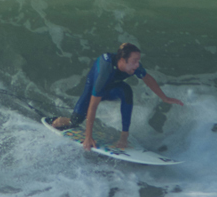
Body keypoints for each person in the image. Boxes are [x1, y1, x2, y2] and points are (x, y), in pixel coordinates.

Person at [51, 43, 183, 150]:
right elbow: (93, 106)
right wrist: (88, 137)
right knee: (76, 120)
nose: (137, 64)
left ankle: (124, 136)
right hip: (93, 88)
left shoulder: (133, 65)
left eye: (138, 60)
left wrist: (164, 98)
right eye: (134, 61)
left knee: (126, 90)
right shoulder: (105, 72)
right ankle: (65, 120)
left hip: (114, 88)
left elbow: (147, 78)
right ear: (122, 60)